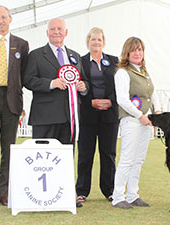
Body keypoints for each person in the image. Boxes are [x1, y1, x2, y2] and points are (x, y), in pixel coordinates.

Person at [112, 37, 161, 209]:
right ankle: (118, 197)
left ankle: (133, 195)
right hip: (131, 120)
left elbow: (152, 93)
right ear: (127, 52)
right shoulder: (122, 73)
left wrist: (158, 111)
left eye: (140, 49)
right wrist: (140, 115)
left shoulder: (144, 72)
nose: (137, 53)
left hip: (145, 120)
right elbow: (122, 99)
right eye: (134, 50)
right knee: (127, 158)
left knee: (138, 160)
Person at [0, 6, 29, 206]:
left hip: (12, 98)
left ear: (11, 19)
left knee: (8, 146)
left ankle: (4, 190)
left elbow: (26, 75)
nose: (0, 20)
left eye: (4, 17)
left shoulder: (21, 44)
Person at [23, 18, 88, 145]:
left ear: (66, 32)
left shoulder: (75, 56)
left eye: (60, 29)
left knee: (66, 159)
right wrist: (51, 84)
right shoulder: (36, 55)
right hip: (45, 118)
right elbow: (28, 80)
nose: (56, 32)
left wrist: (84, 86)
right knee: (42, 159)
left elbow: (85, 80)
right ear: (47, 33)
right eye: (52, 29)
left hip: (69, 118)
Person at [75, 27, 119, 207]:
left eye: (99, 40)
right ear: (88, 42)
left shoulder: (115, 61)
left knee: (108, 154)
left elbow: (121, 87)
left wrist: (110, 101)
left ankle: (109, 190)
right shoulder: (79, 61)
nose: (96, 43)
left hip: (109, 115)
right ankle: (81, 191)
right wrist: (90, 101)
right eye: (93, 39)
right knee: (85, 154)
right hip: (88, 115)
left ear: (104, 42)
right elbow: (77, 87)